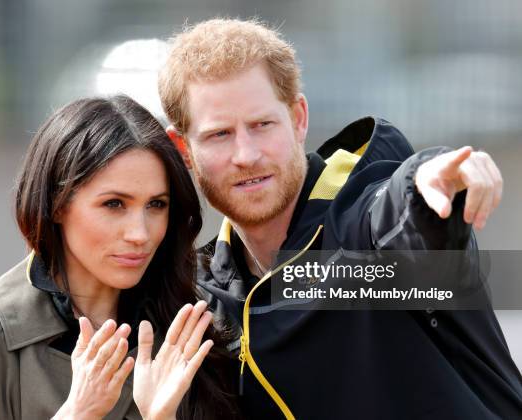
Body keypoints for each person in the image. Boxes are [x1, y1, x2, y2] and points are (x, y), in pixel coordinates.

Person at [158, 18, 522, 419]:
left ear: (298, 119)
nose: (246, 154)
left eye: (262, 125)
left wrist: (426, 184)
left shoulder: (362, 228)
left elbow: (401, 220)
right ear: (184, 149)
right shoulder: (201, 303)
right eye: (219, 135)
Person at [0, 95, 240, 419]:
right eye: (114, 204)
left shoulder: (192, 330)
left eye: (156, 205)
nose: (140, 234)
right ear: (57, 204)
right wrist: (77, 413)